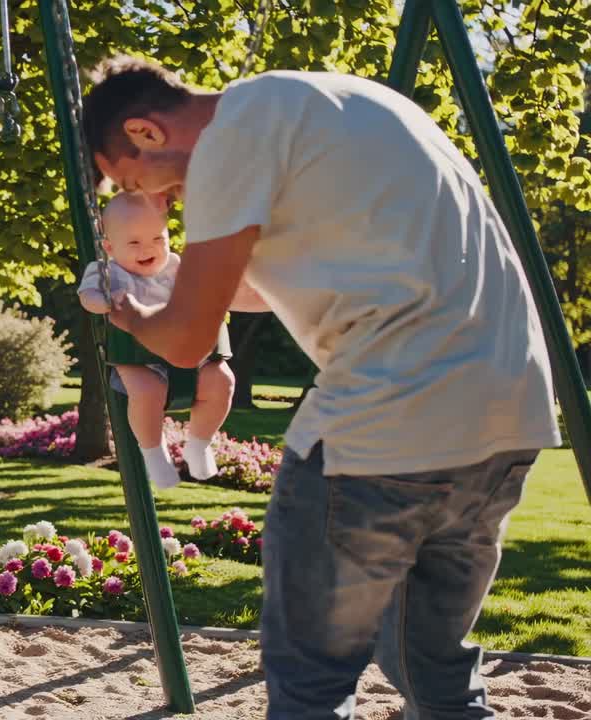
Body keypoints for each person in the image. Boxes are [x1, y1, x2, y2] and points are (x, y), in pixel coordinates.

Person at [81, 56, 561, 719]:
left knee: (310, 680)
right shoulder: (347, 104)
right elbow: (255, 288)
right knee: (428, 660)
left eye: (137, 178)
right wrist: (182, 287)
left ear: (148, 130)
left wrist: (127, 312)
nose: (159, 200)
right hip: (510, 415)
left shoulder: (225, 143)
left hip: (387, 422)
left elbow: (188, 340)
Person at [77, 191, 241, 488]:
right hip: (138, 357)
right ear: (110, 247)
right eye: (134, 242)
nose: (148, 248)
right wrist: (102, 301)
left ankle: (199, 444)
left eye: (158, 239)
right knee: (146, 391)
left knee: (222, 382)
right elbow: (87, 296)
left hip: (189, 351)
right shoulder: (106, 272)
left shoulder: (177, 266)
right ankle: (154, 454)